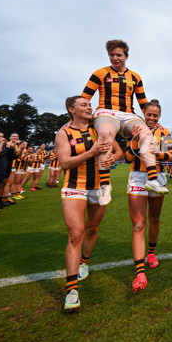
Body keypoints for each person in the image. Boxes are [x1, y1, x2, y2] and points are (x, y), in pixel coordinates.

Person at [56, 96, 123, 312]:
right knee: (76, 233)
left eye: (89, 104)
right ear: (71, 109)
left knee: (92, 227)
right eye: (83, 105)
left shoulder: (100, 126)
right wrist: (92, 153)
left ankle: (85, 262)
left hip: (100, 186)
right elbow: (64, 163)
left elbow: (119, 151)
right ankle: (72, 290)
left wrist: (112, 158)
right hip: (75, 185)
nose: (89, 107)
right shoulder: (64, 133)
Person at [81, 39, 167, 206]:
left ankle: (152, 179)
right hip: (106, 111)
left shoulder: (135, 77)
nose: (115, 58)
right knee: (106, 134)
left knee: (146, 134)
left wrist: (153, 124)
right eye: (111, 55)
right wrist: (81, 119)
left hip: (128, 114)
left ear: (126, 56)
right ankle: (105, 185)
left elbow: (143, 102)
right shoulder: (100, 73)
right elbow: (85, 98)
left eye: (118, 55)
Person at [123, 99, 172, 292]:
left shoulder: (164, 132)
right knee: (138, 224)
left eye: (155, 115)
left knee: (154, 217)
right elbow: (127, 156)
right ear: (143, 113)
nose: (152, 118)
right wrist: (136, 139)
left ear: (159, 116)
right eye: (149, 115)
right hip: (137, 177)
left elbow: (171, 156)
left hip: (158, 176)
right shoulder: (133, 130)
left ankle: (151, 253)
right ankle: (139, 271)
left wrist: (159, 154)